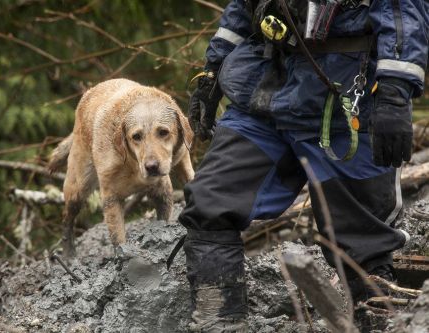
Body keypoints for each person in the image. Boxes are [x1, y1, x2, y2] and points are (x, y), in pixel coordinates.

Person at [179, 0, 428, 331]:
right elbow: (242, 8)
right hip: (266, 91)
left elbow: (403, 13)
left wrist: (395, 93)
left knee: (362, 245)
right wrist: (212, 70)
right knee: (211, 203)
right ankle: (218, 324)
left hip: (344, 104)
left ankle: (376, 323)